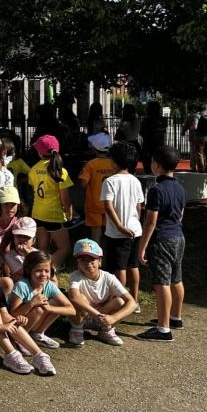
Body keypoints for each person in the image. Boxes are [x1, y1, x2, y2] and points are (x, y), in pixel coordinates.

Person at [137, 145, 187, 341]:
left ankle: (163, 328)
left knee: (162, 283)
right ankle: (176, 317)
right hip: (178, 236)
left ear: (156, 165)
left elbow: (151, 221)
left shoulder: (156, 190)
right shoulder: (180, 187)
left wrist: (142, 247)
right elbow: (181, 214)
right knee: (177, 278)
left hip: (161, 239)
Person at [67, 239, 136, 348]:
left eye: (92, 260)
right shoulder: (75, 276)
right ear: (78, 263)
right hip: (85, 316)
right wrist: (97, 314)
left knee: (120, 301)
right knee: (81, 298)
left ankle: (106, 330)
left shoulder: (109, 277)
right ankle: (77, 329)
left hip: (103, 317)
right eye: (83, 260)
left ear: (100, 261)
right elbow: (74, 298)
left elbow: (132, 303)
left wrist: (114, 318)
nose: (88, 264)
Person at [100, 141, 145, 307]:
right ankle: (134, 299)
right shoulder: (135, 180)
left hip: (118, 232)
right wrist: (134, 221)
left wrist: (119, 226)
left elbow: (108, 206)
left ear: (114, 160)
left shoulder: (110, 181)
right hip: (135, 229)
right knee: (133, 265)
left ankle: (121, 301)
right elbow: (139, 205)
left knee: (120, 267)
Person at [7, 251, 75, 349]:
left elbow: (71, 310)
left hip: (33, 322)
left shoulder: (49, 285)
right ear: (29, 270)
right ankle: (20, 340)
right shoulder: (22, 286)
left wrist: (50, 308)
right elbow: (12, 315)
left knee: (56, 304)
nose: (43, 274)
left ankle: (37, 334)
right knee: (38, 309)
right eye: (38, 270)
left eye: (47, 271)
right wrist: (32, 303)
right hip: (18, 325)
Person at [27, 135, 74, 271]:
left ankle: (39, 268)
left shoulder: (33, 169)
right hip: (54, 215)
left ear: (40, 152)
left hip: (37, 213)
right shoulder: (60, 171)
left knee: (42, 247)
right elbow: (65, 198)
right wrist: (69, 214)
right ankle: (49, 269)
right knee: (64, 248)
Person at [78, 133, 117, 242]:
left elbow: (83, 184)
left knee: (96, 233)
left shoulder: (90, 164)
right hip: (111, 203)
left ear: (95, 148)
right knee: (110, 231)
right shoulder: (115, 164)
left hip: (94, 204)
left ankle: (96, 256)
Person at [140, 101, 168, 175]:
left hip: (148, 147)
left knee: (148, 167)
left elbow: (141, 133)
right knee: (159, 167)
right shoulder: (163, 120)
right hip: (159, 146)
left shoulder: (147, 120)